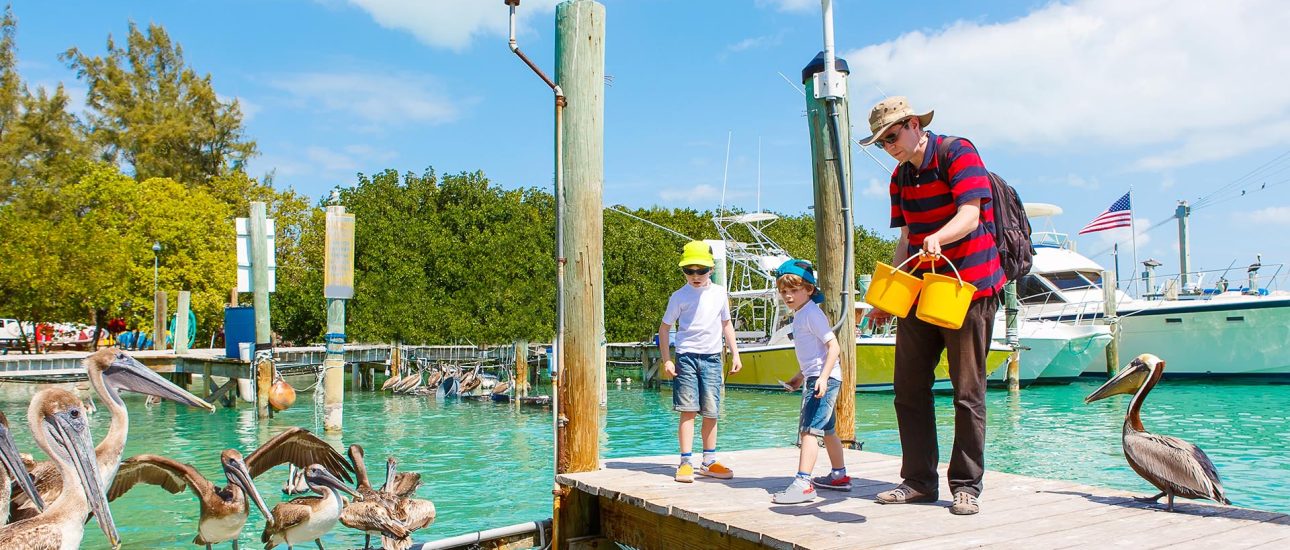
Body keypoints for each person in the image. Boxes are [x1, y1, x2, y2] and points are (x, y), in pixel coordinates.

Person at [859, 96, 1004, 515]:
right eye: (882, 142)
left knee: (967, 392)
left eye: (892, 136)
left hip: (970, 289)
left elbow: (971, 215)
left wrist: (941, 235)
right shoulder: (899, 178)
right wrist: (890, 296)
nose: (889, 146)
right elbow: (906, 239)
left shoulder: (958, 152)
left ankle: (966, 486)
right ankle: (919, 481)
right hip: (922, 291)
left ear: (913, 125)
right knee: (907, 389)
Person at [658, 240, 742, 483]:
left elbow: (727, 324)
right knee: (688, 410)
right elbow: (665, 329)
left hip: (713, 358)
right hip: (686, 357)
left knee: (711, 411)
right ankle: (685, 461)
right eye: (689, 271)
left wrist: (735, 353)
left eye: (701, 271)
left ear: (711, 270)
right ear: (683, 271)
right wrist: (667, 359)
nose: (695, 276)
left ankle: (709, 460)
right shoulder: (678, 296)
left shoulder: (719, 293)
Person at [770, 259, 849, 504]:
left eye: (794, 290)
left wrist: (822, 378)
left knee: (808, 431)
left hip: (822, 380)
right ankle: (839, 476)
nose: (788, 296)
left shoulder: (811, 314)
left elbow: (833, 347)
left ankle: (803, 483)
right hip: (817, 376)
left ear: (809, 290)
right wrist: (798, 377)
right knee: (827, 430)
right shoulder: (801, 314)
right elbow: (815, 354)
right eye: (784, 291)